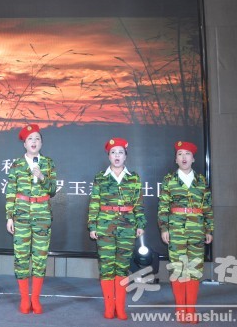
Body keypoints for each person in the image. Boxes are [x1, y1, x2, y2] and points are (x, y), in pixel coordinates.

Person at [88, 138, 145, 320]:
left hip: (127, 227)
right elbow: (94, 203)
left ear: (126, 156)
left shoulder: (134, 178)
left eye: (120, 152)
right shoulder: (100, 177)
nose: (117, 156)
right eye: (113, 152)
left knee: (122, 267)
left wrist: (140, 224)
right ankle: (109, 306)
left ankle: (120, 307)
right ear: (109, 156)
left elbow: (138, 204)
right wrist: (92, 225)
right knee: (106, 267)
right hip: (105, 226)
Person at [158, 141, 213, 324]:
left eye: (187, 154)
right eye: (180, 154)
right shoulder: (169, 180)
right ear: (175, 159)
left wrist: (209, 229)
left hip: (197, 229)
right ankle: (180, 309)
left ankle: (191, 310)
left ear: (193, 159)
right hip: (176, 229)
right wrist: (164, 228)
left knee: (194, 269)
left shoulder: (201, 181)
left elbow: (207, 207)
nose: (184, 157)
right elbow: (163, 207)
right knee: (178, 268)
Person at [5, 124, 57, 314]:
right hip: (21, 214)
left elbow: (53, 189)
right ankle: (24, 299)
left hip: (42, 214)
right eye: (30, 139)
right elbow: (10, 192)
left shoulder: (48, 163)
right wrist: (9, 217)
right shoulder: (17, 165)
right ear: (24, 144)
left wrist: (41, 176)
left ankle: (35, 299)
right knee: (21, 257)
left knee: (40, 257)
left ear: (41, 142)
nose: (34, 142)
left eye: (37, 139)